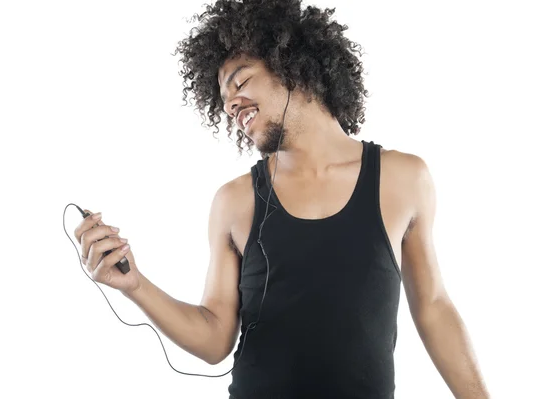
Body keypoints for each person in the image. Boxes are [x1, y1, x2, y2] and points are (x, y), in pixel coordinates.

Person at [74, 0, 490, 397]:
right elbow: (216, 335)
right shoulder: (234, 202)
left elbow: (433, 308)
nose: (232, 104)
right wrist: (134, 285)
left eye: (240, 81)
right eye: (224, 101)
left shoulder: (403, 178)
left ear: (290, 65)